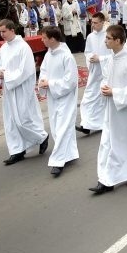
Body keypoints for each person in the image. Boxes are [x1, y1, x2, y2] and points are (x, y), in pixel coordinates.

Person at [89, 25, 127, 194]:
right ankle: (108, 178)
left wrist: (115, 92)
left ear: (118, 41)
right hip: (113, 107)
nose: (105, 41)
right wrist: (104, 88)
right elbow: (105, 78)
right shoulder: (110, 59)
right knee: (111, 140)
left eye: (108, 38)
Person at [0, 19, 49, 164]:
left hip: (22, 89)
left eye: (4, 31)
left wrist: (8, 75)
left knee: (23, 119)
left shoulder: (23, 47)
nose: (2, 35)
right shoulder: (4, 48)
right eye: (0, 32)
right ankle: (17, 150)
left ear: (12, 30)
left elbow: (27, 70)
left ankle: (42, 137)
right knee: (11, 121)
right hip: (9, 90)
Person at [37, 27, 79, 177]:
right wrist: (42, 81)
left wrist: (50, 84)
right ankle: (69, 154)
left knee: (62, 128)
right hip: (54, 98)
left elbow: (71, 81)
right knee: (56, 128)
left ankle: (57, 162)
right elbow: (44, 71)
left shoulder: (67, 56)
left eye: (43, 38)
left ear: (53, 39)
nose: (41, 40)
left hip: (66, 98)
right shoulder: (49, 54)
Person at [77, 12, 112, 134]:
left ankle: (100, 123)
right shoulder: (91, 37)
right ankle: (86, 123)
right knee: (88, 97)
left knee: (102, 99)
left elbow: (114, 54)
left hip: (106, 72)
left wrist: (101, 59)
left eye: (96, 23)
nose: (93, 25)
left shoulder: (109, 35)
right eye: (92, 22)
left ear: (102, 22)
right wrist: (91, 57)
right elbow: (87, 52)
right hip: (94, 71)